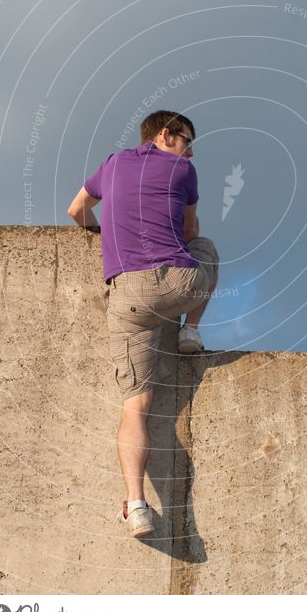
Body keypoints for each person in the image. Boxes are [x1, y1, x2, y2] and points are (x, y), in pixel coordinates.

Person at [67, 110, 219, 539]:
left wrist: (103, 233)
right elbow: (191, 233)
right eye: (187, 139)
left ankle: (136, 507)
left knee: (136, 405)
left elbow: (76, 210)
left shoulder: (111, 164)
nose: (190, 150)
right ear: (166, 134)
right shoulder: (183, 169)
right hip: (179, 281)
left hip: (128, 295)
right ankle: (191, 329)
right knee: (207, 249)